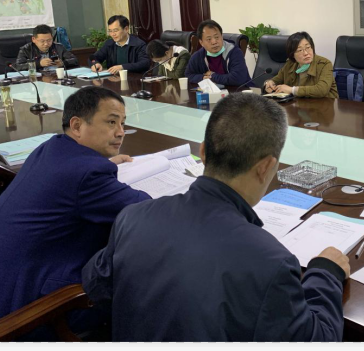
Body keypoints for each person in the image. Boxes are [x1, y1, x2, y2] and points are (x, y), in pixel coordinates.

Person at [82, 93, 348, 341]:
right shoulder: (270, 263)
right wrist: (325, 273)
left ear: (203, 152)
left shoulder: (133, 217)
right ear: (266, 167)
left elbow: (96, 284)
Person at [0, 87, 150, 332]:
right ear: (77, 126)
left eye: (123, 123)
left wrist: (101, 162)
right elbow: (146, 210)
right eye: (111, 122)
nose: (121, 132)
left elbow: (73, 177)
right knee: (146, 267)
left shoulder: (51, 148)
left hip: (12, 286)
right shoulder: (87, 175)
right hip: (38, 311)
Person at [264, 31, 338, 99]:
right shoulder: (290, 64)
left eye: (308, 47)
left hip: (323, 106)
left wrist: (292, 90)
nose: (306, 53)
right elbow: (275, 80)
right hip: (297, 105)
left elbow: (322, 90)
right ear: (292, 55)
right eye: (300, 50)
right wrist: (269, 83)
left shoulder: (324, 64)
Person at [184, 19, 252, 87]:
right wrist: (203, 78)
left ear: (222, 37)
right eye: (209, 39)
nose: (214, 42)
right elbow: (188, 75)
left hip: (242, 91)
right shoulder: (198, 56)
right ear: (201, 42)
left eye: (217, 37)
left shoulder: (234, 52)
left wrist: (212, 76)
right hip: (215, 92)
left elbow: (238, 78)